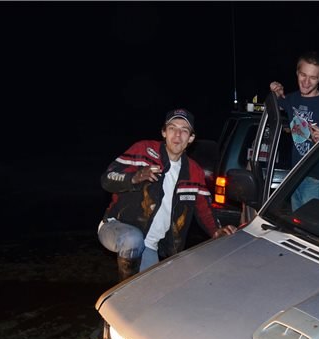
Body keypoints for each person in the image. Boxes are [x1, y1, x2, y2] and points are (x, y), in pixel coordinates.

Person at [98, 108, 237, 281]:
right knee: (133, 240)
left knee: (156, 294)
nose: (177, 135)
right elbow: (107, 179)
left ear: (191, 138)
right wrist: (135, 177)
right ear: (164, 132)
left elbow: (204, 209)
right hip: (116, 227)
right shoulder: (143, 150)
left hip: (150, 246)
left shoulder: (194, 171)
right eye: (172, 128)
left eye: (184, 130)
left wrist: (216, 231)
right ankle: (125, 290)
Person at [269, 51, 319, 210]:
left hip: (317, 180)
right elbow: (274, 104)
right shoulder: (292, 99)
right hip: (295, 176)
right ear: (297, 73)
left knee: (311, 231)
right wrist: (275, 90)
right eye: (303, 75)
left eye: (313, 77)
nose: (306, 82)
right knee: (296, 229)